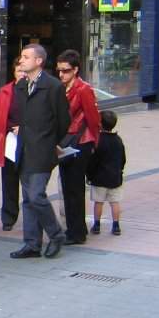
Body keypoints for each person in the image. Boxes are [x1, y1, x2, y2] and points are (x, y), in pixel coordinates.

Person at [10, 44, 70, 260]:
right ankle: (32, 243)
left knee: (36, 195)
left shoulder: (53, 86)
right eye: (21, 56)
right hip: (24, 148)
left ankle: (55, 234)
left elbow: (64, 120)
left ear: (38, 61)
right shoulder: (21, 86)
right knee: (27, 198)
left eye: (26, 57)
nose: (21, 60)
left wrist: (51, 141)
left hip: (42, 150)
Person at [56, 49, 101, 245]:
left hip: (80, 142)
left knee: (74, 188)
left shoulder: (83, 89)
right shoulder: (62, 88)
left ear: (75, 70)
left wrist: (94, 143)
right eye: (59, 70)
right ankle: (74, 229)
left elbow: (93, 118)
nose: (61, 74)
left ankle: (77, 232)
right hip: (67, 141)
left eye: (65, 70)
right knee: (68, 187)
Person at [0, 58, 26, 231]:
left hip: (29, 141)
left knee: (29, 182)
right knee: (9, 181)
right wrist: (11, 129)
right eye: (19, 71)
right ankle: (8, 217)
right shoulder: (6, 92)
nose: (22, 74)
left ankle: (32, 217)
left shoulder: (35, 91)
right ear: (14, 73)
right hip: (10, 141)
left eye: (24, 71)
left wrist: (24, 128)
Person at [88, 110, 126, 237]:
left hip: (99, 178)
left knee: (98, 202)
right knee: (115, 202)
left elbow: (93, 160)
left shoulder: (98, 141)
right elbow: (123, 159)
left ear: (100, 124)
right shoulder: (118, 140)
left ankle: (97, 224)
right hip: (115, 178)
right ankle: (116, 225)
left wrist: (90, 175)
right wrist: (119, 170)